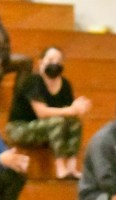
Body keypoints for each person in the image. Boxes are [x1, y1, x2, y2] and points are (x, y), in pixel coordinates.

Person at [6, 46, 91, 180]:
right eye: (50, 60)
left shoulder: (65, 84)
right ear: (41, 62)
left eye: (58, 61)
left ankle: (71, 167)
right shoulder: (32, 81)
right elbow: (42, 112)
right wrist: (72, 109)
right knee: (57, 121)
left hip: (46, 128)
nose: (54, 63)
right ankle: (60, 167)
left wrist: (80, 109)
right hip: (20, 127)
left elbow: (69, 114)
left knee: (75, 122)